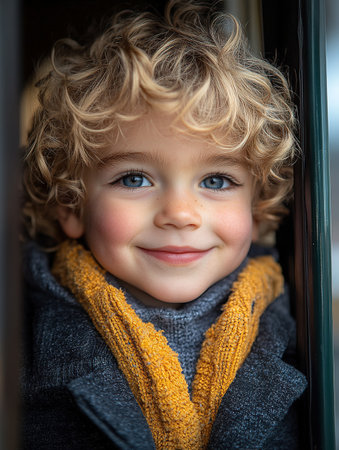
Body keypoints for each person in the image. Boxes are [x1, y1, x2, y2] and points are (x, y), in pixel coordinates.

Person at [21, 1, 307, 448]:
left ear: (256, 206)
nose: (179, 213)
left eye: (216, 180)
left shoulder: (301, 324)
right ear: (72, 206)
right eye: (134, 178)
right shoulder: (22, 338)